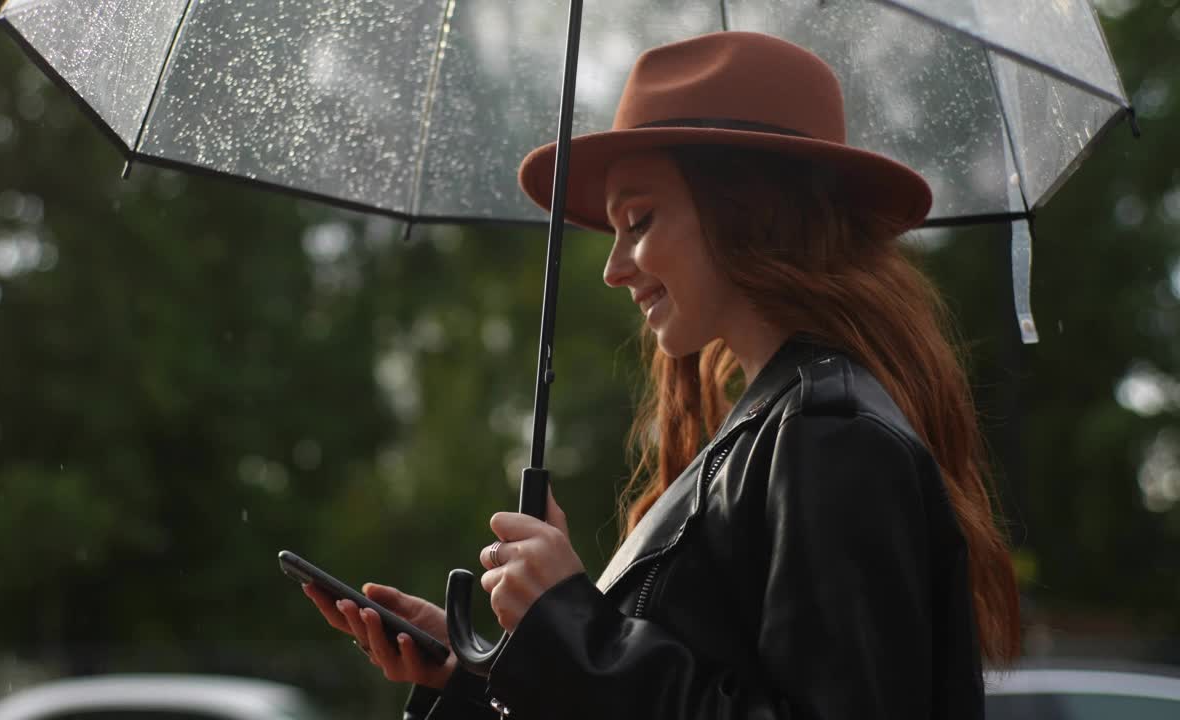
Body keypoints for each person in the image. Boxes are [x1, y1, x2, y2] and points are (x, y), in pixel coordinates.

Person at [303, 30, 1021, 719]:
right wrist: (475, 677)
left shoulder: (828, 441)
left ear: (750, 213)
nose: (615, 268)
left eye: (639, 221)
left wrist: (570, 625)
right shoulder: (769, 436)